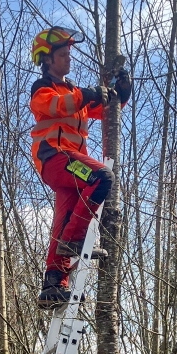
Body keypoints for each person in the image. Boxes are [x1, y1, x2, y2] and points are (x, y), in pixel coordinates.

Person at [29, 26, 132, 309]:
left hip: (71, 162)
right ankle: (73, 241)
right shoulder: (43, 89)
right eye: (63, 54)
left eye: (69, 54)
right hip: (54, 157)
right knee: (101, 177)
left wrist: (121, 93)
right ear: (47, 59)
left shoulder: (75, 93)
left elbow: (104, 109)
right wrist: (86, 94)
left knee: (64, 218)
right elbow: (56, 106)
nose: (68, 58)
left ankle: (53, 283)